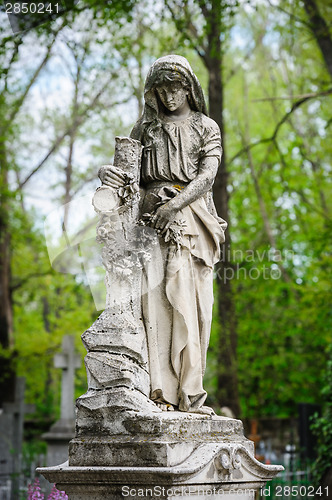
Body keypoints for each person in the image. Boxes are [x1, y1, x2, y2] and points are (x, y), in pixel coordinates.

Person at [99, 55, 227, 414]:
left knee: (192, 304)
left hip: (193, 221)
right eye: (162, 89)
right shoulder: (145, 131)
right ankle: (161, 393)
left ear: (189, 88)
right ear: (153, 93)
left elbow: (206, 176)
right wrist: (106, 174)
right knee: (155, 307)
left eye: (176, 88)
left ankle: (191, 392)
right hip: (150, 222)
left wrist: (175, 205)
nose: (170, 96)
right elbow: (128, 179)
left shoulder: (206, 126)